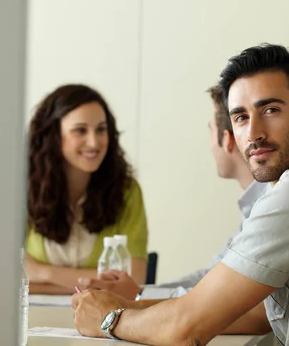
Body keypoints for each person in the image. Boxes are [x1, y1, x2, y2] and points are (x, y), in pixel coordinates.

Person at [71, 44, 289, 345]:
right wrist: (129, 307)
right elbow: (256, 313)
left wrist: (108, 320)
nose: (254, 133)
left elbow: (186, 330)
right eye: (241, 117)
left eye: (271, 110)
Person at [76, 86, 268, 304]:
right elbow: (211, 277)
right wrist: (138, 292)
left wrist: (139, 295)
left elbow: (228, 295)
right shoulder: (254, 206)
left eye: (210, 130)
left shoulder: (267, 209)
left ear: (227, 139)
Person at [24, 84, 148, 294]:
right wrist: (96, 283)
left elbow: (132, 281)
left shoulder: (126, 191)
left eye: (101, 129)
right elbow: (10, 282)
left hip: (102, 319)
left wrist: (42, 273)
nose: (94, 142)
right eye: (80, 130)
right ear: (54, 135)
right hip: (35, 320)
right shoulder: (23, 189)